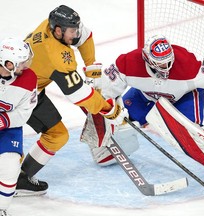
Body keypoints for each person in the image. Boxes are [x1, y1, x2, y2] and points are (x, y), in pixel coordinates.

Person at [85, 34, 204, 186]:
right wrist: (107, 105)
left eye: (168, 61)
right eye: (160, 64)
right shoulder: (128, 63)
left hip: (183, 97)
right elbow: (106, 92)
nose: (167, 67)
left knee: (183, 131)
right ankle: (111, 149)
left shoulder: (186, 64)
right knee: (113, 116)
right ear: (147, 59)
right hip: (146, 96)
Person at [15, 5, 128, 196]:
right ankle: (11, 181)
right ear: (58, 30)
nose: (75, 34)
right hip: (17, 96)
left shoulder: (52, 26)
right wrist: (109, 110)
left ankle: (20, 179)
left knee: (58, 135)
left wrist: (91, 64)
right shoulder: (55, 55)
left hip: (31, 88)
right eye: (71, 31)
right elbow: (79, 94)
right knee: (12, 141)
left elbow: (85, 35)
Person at [0, 38, 37, 216]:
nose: (25, 65)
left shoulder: (29, 78)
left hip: (9, 128)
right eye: (21, 62)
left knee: (10, 167)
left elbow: (25, 112)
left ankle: (1, 209)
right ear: (7, 63)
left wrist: (3, 121)